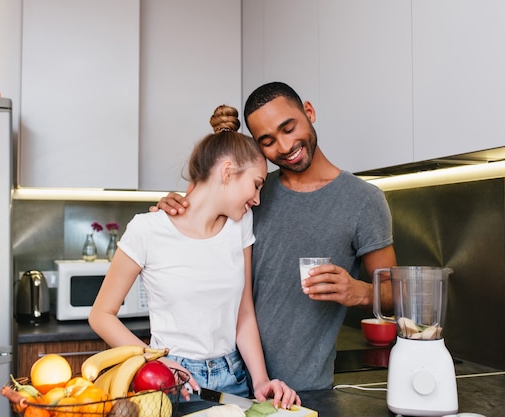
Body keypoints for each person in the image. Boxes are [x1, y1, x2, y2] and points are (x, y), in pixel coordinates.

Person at [152, 82, 397, 391]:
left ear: (309, 112)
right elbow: (194, 232)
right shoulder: (249, 193)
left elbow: (396, 293)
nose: (283, 146)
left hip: (304, 389)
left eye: (288, 128)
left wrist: (358, 291)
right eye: (267, 141)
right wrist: (172, 210)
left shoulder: (364, 201)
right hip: (231, 380)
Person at [89, 105, 299, 408]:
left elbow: (244, 314)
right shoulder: (147, 229)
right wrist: (154, 363)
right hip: (171, 381)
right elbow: (101, 315)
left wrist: (261, 380)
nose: (257, 199)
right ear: (227, 171)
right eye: (255, 185)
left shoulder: (240, 224)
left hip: (233, 380)